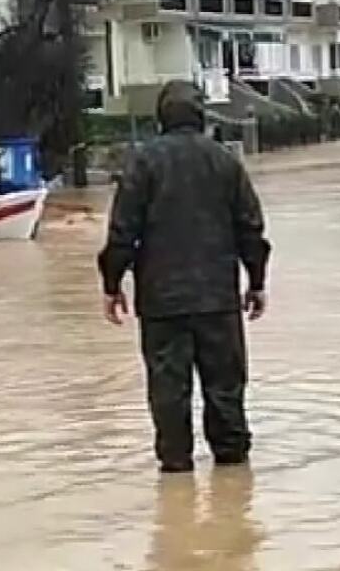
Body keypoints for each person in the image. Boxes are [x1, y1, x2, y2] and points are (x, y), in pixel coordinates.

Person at [97, 80, 272, 474]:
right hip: (217, 298)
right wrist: (256, 281)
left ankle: (176, 470)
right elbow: (250, 228)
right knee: (225, 389)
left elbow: (123, 231)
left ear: (160, 117)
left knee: (168, 390)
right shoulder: (225, 162)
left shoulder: (142, 163)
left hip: (161, 301)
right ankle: (233, 478)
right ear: (202, 115)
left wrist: (112, 285)